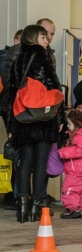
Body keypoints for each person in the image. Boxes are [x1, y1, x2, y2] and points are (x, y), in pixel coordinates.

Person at [7, 25, 64, 223]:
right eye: (43, 36)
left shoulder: (17, 58)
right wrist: (60, 118)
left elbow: (11, 91)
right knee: (40, 164)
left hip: (23, 118)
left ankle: (22, 206)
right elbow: (53, 88)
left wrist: (11, 125)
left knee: (24, 163)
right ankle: (37, 205)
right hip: (43, 119)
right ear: (34, 37)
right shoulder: (43, 56)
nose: (47, 40)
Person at [0, 29, 23, 211]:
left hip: (13, 112)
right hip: (9, 112)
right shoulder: (5, 58)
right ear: (16, 41)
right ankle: (11, 195)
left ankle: (13, 194)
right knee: (11, 154)